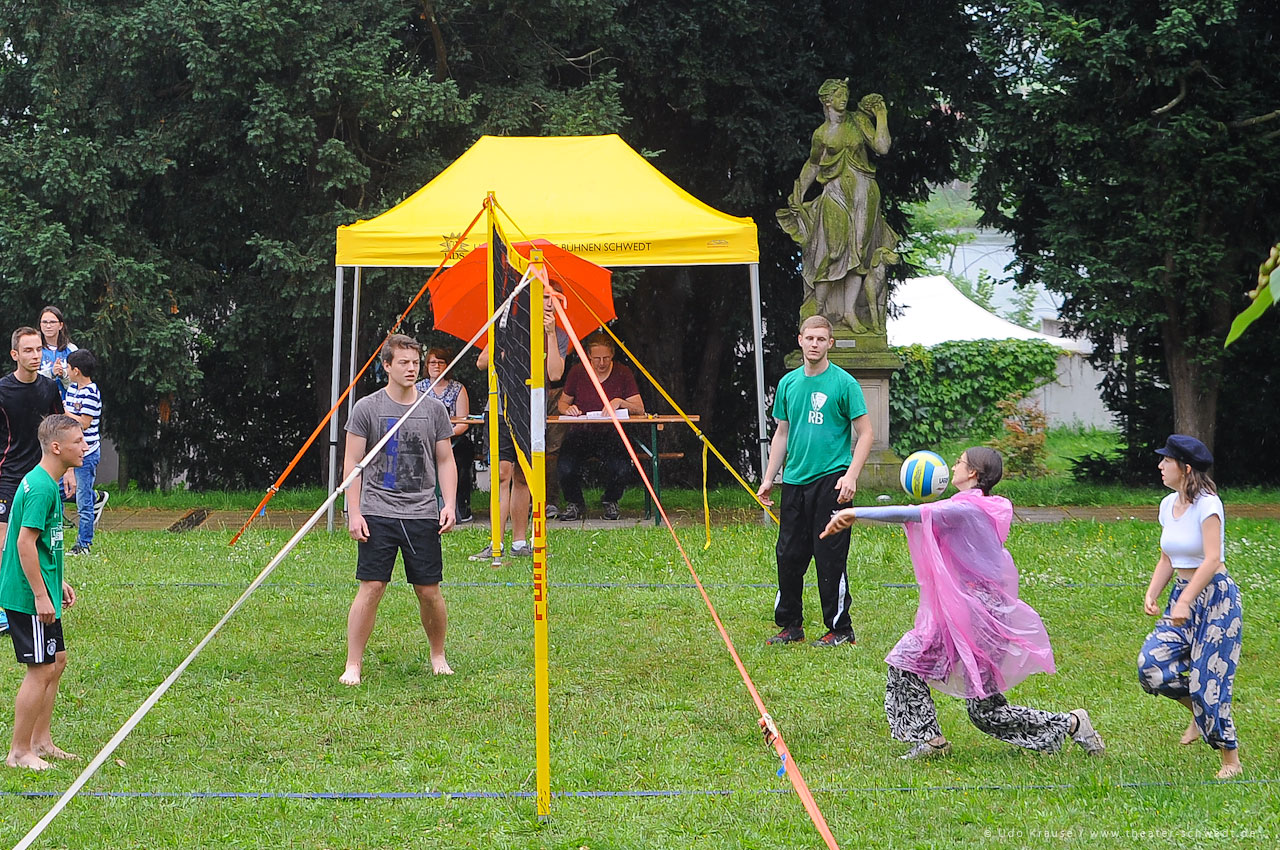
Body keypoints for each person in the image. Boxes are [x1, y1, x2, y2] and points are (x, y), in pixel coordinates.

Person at [822, 447, 1106, 760]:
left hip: (979, 616)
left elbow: (912, 513)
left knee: (976, 706)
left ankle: (1071, 724)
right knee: (921, 672)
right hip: (965, 611)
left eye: (959, 462)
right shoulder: (972, 505)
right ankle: (933, 741)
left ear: (972, 473)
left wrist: (854, 513)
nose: (953, 465)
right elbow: (924, 514)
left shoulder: (967, 509)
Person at [340, 334, 457, 686]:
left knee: (429, 590)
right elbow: (352, 463)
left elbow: (445, 459)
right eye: (403, 362)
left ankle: (438, 655)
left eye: (415, 362)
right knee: (372, 586)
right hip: (377, 510)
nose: (411, 368)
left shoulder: (433, 409)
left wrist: (449, 504)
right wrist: (355, 512)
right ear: (387, 365)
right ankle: (353, 664)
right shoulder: (367, 408)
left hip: (422, 512)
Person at [756, 315, 872, 647]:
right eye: (810, 338)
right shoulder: (788, 384)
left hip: (832, 482)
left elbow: (866, 434)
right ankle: (790, 625)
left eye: (821, 339)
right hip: (794, 482)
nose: (815, 344)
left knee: (829, 556)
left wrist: (851, 476)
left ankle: (840, 628)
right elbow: (782, 433)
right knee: (788, 555)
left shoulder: (844, 384)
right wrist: (769, 478)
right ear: (800, 340)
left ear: (830, 343)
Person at [1137, 434, 1242, 779]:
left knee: (1208, 683)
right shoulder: (1168, 505)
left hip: (1215, 600)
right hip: (1182, 596)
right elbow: (1168, 557)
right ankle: (1198, 712)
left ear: (1185, 468)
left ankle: (1231, 760)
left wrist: (1185, 600)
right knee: (1151, 667)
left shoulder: (1209, 505)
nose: (1160, 465)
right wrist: (1153, 592)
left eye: (1166, 460)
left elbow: (1212, 559)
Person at [776, 80, 899, 334]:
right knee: (834, 250)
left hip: (865, 193)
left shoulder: (858, 121)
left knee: (859, 252)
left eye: (845, 94)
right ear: (827, 101)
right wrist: (799, 191)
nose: (844, 98)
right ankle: (818, 307)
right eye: (839, 94)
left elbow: (882, 146)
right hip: (835, 193)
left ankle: (849, 312)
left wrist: (881, 115)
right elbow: (814, 164)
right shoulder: (821, 134)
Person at [1, 414, 85, 769]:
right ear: (56, 447)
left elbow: (41, 545)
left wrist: (55, 582)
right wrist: (39, 594)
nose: (85, 447)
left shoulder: (48, 484)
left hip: (40, 587)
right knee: (40, 669)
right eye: (78, 442)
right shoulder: (41, 488)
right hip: (26, 595)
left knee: (57, 660)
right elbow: (23, 543)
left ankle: (41, 741)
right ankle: (19, 752)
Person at [471, 286, 568, 561]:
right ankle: (496, 542)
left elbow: (555, 374)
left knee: (524, 475)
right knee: (502, 473)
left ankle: (519, 542)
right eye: (544, 297)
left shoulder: (558, 334)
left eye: (553, 299)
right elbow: (481, 362)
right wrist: (503, 344)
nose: (548, 303)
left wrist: (549, 333)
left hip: (531, 411)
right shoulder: (509, 326)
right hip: (501, 409)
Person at [0, 328, 70, 636]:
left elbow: (61, 429)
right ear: (15, 355)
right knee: (4, 542)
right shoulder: (3, 390)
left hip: (40, 478)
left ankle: (40, 594)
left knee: (40, 539)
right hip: (8, 476)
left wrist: (68, 471)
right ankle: (4, 608)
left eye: (39, 349)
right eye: (28, 350)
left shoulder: (48, 388)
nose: (35, 355)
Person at [557, 332, 644, 521]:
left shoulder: (623, 372)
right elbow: (562, 403)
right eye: (596, 359)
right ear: (588, 355)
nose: (601, 363)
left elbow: (639, 408)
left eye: (606, 358)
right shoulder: (578, 372)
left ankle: (610, 499)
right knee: (565, 466)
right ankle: (575, 503)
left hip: (611, 433)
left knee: (622, 467)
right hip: (581, 431)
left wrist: (620, 402)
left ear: (612, 354)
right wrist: (568, 409)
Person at [417, 348, 473, 523]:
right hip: (423, 439)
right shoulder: (417, 388)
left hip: (454, 438)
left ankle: (460, 507)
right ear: (427, 366)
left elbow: (463, 423)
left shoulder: (458, 389)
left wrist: (443, 436)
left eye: (441, 362)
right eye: (433, 362)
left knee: (462, 460)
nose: (437, 366)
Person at [64, 350, 106, 554]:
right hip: (69, 451)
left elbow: (85, 423)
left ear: (76, 370)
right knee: (61, 491)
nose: (66, 371)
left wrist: (65, 413)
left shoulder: (91, 392)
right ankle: (95, 496)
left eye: (68, 367)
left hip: (86, 454)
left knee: (83, 502)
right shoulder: (72, 388)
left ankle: (84, 544)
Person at [36, 307, 78, 401]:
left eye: (52, 322)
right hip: (41, 402)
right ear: (40, 325)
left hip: (68, 403)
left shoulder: (72, 349)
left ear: (60, 325)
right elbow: (30, 378)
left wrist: (63, 375)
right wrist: (51, 372)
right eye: (45, 322)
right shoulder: (35, 349)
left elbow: (79, 380)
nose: (48, 326)